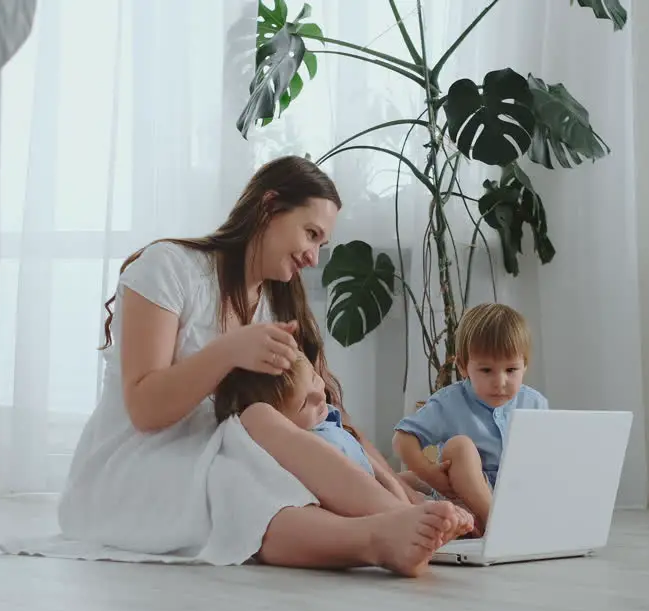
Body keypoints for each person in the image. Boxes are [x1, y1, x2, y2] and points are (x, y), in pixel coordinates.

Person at [57, 156, 472, 577]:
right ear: (269, 207)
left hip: (228, 446)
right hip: (138, 461)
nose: (313, 258)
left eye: (321, 245)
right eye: (311, 235)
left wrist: (401, 490)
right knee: (238, 481)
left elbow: (332, 413)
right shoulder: (168, 267)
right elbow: (144, 409)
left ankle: (394, 519)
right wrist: (227, 351)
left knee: (268, 462)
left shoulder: (277, 301)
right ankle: (377, 539)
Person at [392, 303, 549, 532]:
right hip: (463, 497)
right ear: (464, 367)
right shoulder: (449, 402)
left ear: (524, 365)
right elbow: (402, 439)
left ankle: (493, 522)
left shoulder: (535, 403)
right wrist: (429, 473)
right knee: (460, 447)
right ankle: (496, 525)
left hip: (518, 497)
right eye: (486, 370)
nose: (500, 381)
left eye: (511, 370)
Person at [213, 350, 434, 506]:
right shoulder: (309, 450)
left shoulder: (327, 420)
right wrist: (404, 506)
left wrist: (402, 496)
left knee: (415, 482)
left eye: (313, 378)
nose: (320, 396)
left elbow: (373, 466)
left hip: (385, 494)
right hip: (371, 506)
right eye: (303, 404)